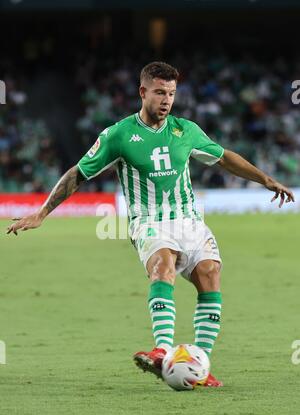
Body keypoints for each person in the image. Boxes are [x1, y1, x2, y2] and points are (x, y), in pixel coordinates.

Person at [7, 62, 294, 387]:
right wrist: (41, 213)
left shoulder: (186, 131)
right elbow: (78, 173)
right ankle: (161, 351)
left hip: (190, 220)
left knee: (211, 275)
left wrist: (266, 180)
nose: (166, 100)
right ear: (143, 92)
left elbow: (225, 158)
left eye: (171, 93)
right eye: (160, 92)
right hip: (149, 222)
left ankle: (198, 363)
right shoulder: (118, 135)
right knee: (163, 264)